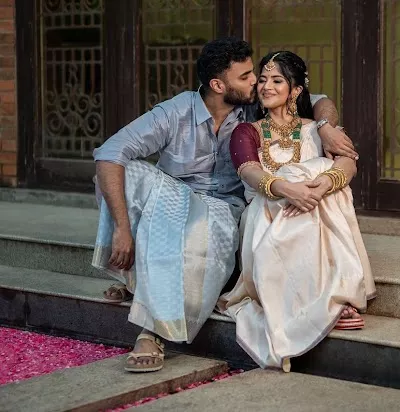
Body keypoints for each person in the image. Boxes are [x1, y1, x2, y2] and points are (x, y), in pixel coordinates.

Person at [92, 37, 356, 373]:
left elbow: (318, 100)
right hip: (173, 198)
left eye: (257, 75)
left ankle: (151, 330)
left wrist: (326, 126)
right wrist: (122, 229)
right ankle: (135, 279)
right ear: (219, 85)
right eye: (247, 76)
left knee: (197, 229)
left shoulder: (253, 105)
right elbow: (110, 152)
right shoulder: (175, 112)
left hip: (222, 206)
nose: (257, 82)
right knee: (125, 172)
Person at [217, 51, 376, 372]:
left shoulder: (317, 129)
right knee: (298, 178)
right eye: (262, 80)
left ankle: (333, 294)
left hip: (315, 206)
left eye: (277, 80)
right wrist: (288, 189)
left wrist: (321, 185)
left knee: (326, 180)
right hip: (266, 210)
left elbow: (347, 161)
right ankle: (331, 298)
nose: (266, 86)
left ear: (296, 90)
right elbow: (249, 171)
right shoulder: (247, 131)